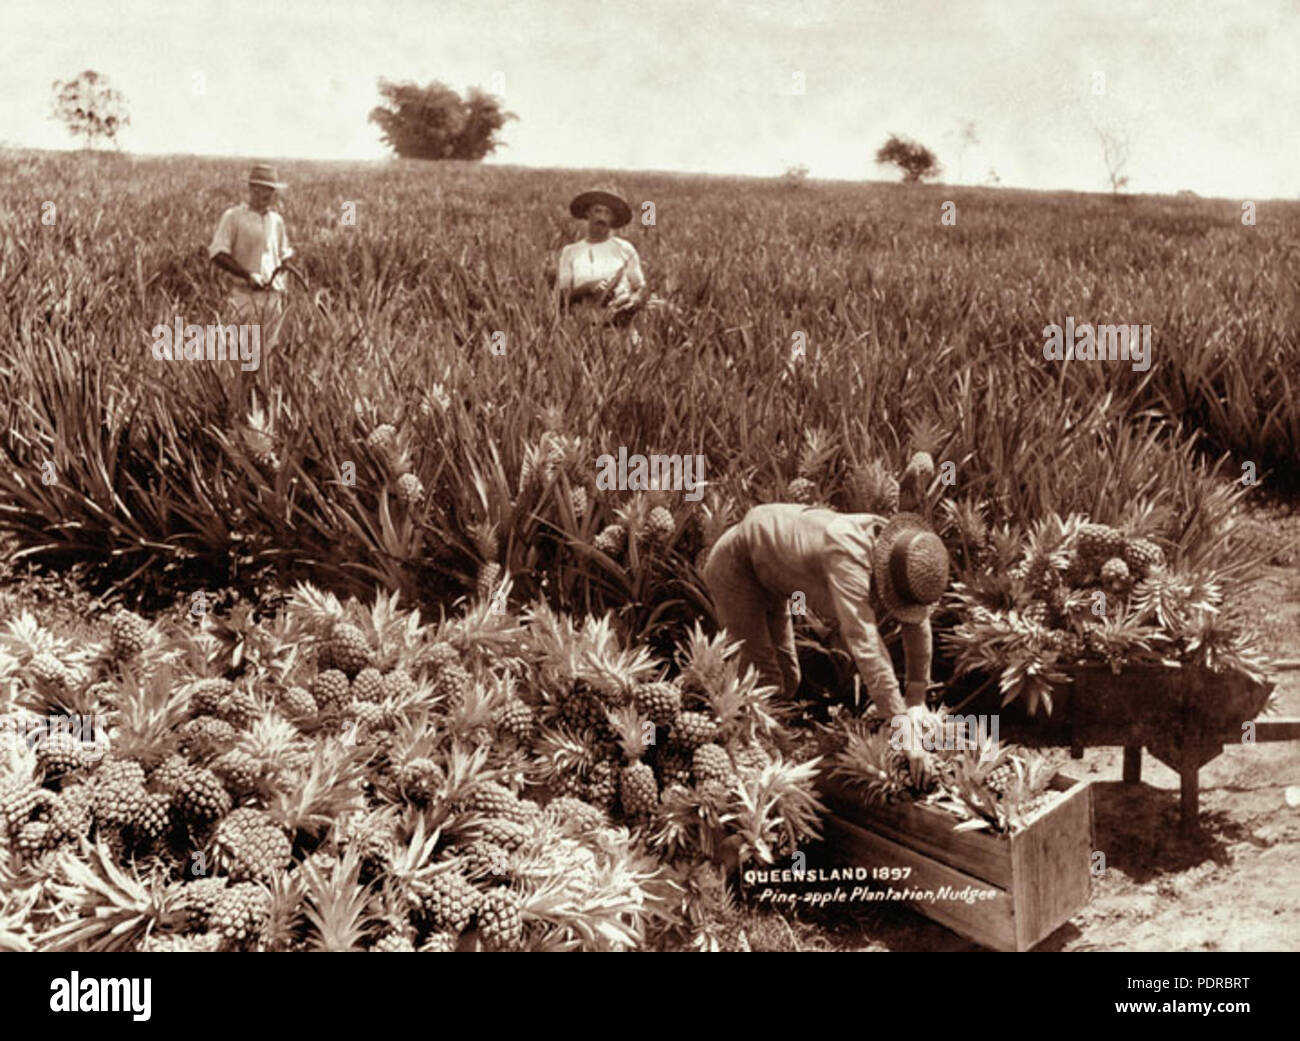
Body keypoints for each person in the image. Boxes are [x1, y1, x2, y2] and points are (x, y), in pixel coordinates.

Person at [702, 506, 949, 780]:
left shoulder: (901, 552)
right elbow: (864, 642)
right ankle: (749, 770)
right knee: (765, 684)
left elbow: (916, 620)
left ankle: (774, 749)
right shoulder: (847, 556)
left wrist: (916, 698)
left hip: (775, 579)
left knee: (789, 681)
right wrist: (902, 728)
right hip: (736, 568)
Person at [208, 162, 294, 339]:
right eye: (262, 189)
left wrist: (283, 285)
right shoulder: (233, 216)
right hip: (244, 296)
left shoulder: (277, 221)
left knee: (270, 350)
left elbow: (283, 256)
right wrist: (248, 275)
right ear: (251, 188)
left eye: (271, 190)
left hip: (273, 298)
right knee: (243, 350)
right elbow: (217, 253)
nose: (267, 194)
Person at [555, 187, 646, 326]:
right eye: (598, 211)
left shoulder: (625, 248)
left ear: (613, 219)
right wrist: (588, 287)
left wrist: (631, 303)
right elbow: (562, 296)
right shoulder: (570, 251)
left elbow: (640, 287)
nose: (602, 217)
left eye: (607, 213)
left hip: (620, 323)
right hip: (582, 326)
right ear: (588, 213)